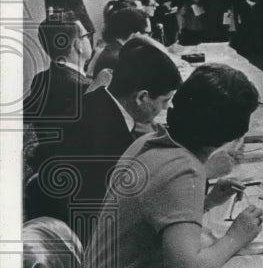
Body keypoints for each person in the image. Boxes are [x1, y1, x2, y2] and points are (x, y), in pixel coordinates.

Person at [78, 63, 263, 268]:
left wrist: (207, 202)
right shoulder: (185, 170)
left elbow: (155, 218)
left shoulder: (149, 141)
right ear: (229, 133)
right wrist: (237, 236)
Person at [27, 38, 181, 233]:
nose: (167, 107)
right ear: (141, 97)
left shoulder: (96, 99)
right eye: (165, 100)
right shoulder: (110, 143)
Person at [24, 18, 93, 165]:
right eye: (87, 36)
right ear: (78, 45)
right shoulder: (84, 88)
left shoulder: (40, 78)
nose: (89, 40)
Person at [88, 4, 150, 78]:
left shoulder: (111, 51)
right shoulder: (120, 59)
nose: (148, 38)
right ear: (135, 33)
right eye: (146, 33)